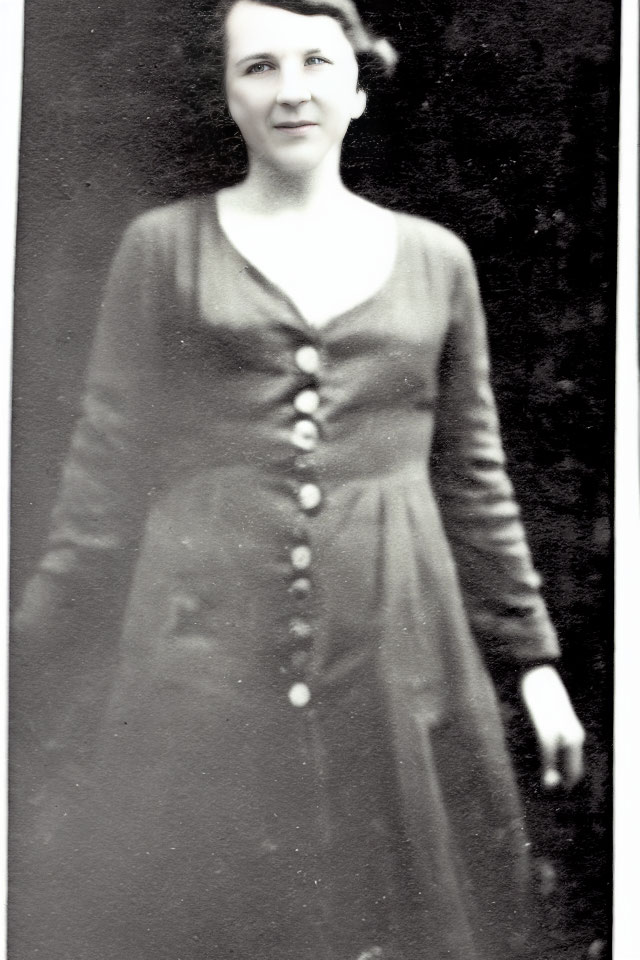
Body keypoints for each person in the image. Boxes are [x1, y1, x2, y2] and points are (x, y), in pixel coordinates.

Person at [11, 1, 586, 958]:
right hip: (201, 639)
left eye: (317, 63)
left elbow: (475, 478)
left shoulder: (437, 262)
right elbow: (102, 477)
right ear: (230, 97)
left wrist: (534, 666)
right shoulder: (163, 248)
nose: (291, 91)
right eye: (260, 68)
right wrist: (27, 656)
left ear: (359, 87)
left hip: (401, 638)